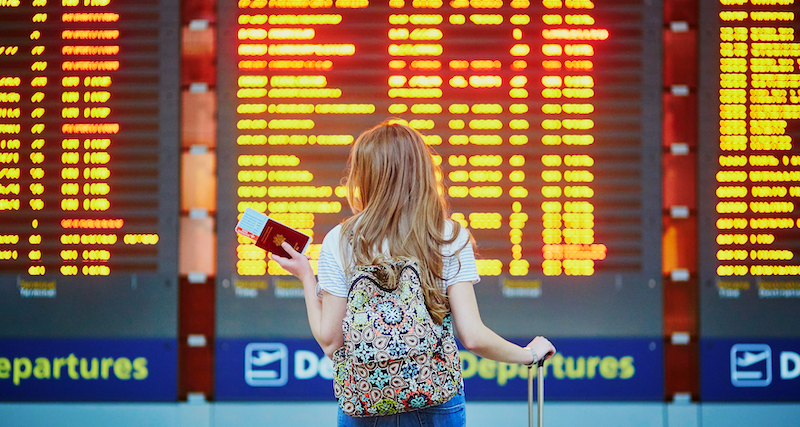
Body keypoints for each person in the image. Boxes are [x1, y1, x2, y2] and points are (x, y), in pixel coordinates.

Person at [271, 121, 556, 427]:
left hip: (365, 399)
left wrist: (305, 276)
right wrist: (529, 354)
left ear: (364, 175)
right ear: (422, 171)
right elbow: (473, 337)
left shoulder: (339, 240)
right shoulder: (447, 235)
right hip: (436, 399)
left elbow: (330, 342)